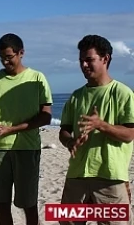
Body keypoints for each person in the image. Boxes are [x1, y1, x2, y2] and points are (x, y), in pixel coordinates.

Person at [59, 34, 134, 225]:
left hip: (110, 177)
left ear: (105, 58)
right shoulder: (76, 97)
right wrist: (70, 141)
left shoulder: (123, 93)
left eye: (89, 60)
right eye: (81, 60)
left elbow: (129, 134)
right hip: (76, 175)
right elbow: (64, 130)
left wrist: (101, 125)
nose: (84, 65)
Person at [0, 33, 53, 225]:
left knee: (28, 202)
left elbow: (46, 116)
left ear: (21, 53)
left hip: (27, 148)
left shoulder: (37, 78)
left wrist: (11, 129)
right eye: (1, 57)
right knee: (1, 202)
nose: (5, 61)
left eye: (9, 56)